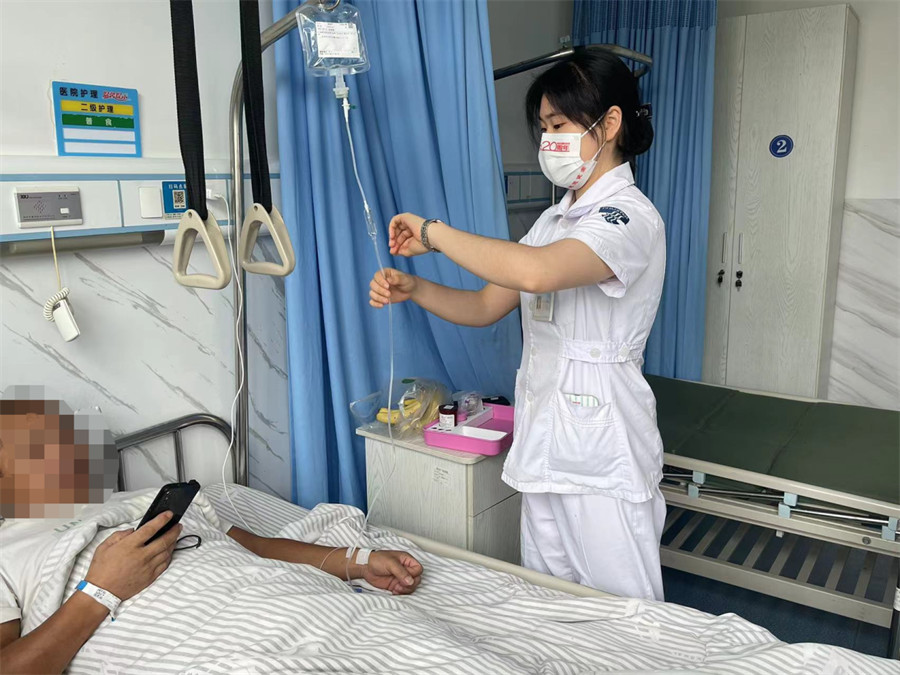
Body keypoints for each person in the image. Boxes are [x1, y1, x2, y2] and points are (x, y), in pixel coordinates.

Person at [369, 51, 665, 601]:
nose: (548, 141)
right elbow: (485, 306)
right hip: (544, 435)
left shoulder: (628, 217)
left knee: (625, 613)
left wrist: (433, 233)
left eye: (560, 125)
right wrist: (417, 289)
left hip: (602, 446)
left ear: (610, 124)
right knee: (546, 599)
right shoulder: (553, 221)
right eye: (544, 129)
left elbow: (535, 273)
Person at [0, 398, 423, 674]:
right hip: (214, 649)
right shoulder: (7, 553)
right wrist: (102, 590)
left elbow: (258, 548)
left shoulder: (148, 498)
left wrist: (358, 560)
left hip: (301, 607)